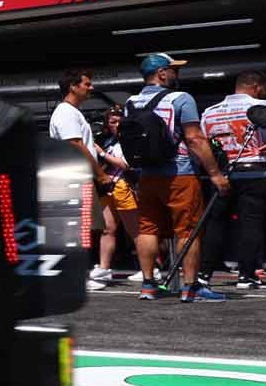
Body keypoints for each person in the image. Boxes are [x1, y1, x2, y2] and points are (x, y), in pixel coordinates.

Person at [122, 53, 232, 302]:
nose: (176, 74)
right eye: (173, 70)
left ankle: (148, 284)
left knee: (148, 229)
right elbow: (194, 138)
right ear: (162, 73)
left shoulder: (131, 102)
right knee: (188, 230)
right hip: (180, 174)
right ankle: (190, 287)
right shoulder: (181, 99)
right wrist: (215, 173)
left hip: (147, 175)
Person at [199, 71, 266, 290]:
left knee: (216, 223)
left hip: (221, 171)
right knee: (251, 222)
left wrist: (213, 171)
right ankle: (246, 276)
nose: (264, 93)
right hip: (253, 169)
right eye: (264, 89)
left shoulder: (209, 112)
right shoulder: (260, 105)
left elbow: (201, 144)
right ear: (255, 86)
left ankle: (204, 273)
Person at [50, 70, 117, 290]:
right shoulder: (66, 113)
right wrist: (100, 174)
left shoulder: (72, 112)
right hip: (76, 177)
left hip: (79, 176)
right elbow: (76, 145)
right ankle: (78, 277)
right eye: (87, 84)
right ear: (72, 86)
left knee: (94, 227)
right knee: (82, 229)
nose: (91, 88)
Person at [96, 109, 141, 284]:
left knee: (135, 230)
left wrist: (101, 153)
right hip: (108, 187)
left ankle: (150, 269)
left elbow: (125, 164)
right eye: (112, 122)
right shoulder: (108, 140)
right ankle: (104, 269)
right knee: (108, 229)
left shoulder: (130, 139)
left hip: (124, 186)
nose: (116, 125)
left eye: (118, 121)